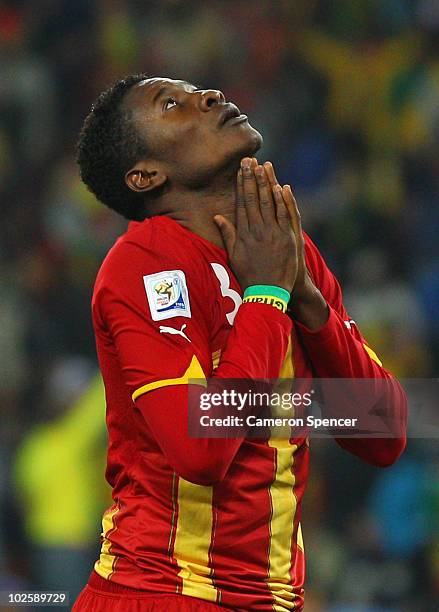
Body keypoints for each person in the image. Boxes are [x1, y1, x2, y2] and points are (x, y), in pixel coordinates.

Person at [73, 75, 407, 611]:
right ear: (146, 175)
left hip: (272, 600)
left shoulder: (284, 248)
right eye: (171, 104)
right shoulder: (145, 265)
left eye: (199, 90)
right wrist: (268, 294)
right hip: (160, 592)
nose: (208, 97)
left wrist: (306, 300)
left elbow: (384, 433)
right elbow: (200, 449)